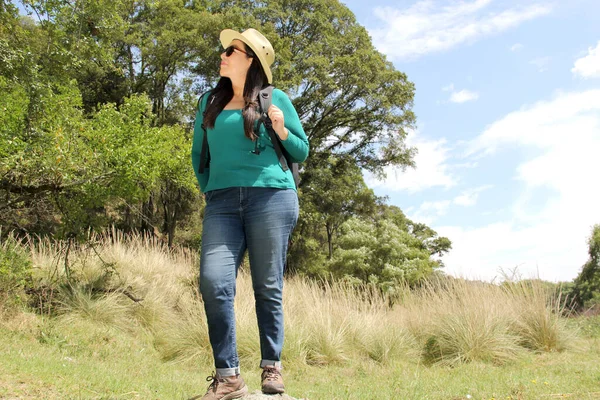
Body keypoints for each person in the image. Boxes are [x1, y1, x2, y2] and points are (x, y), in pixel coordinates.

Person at [190, 28, 309, 400]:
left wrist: (281, 130)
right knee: (214, 281)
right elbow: (199, 154)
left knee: (267, 285)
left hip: (272, 197)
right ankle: (228, 378)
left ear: (251, 60)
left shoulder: (277, 99)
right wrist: (211, 187)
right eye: (225, 48)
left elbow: (302, 150)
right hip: (222, 203)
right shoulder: (208, 101)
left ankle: (271, 366)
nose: (223, 53)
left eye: (232, 49)